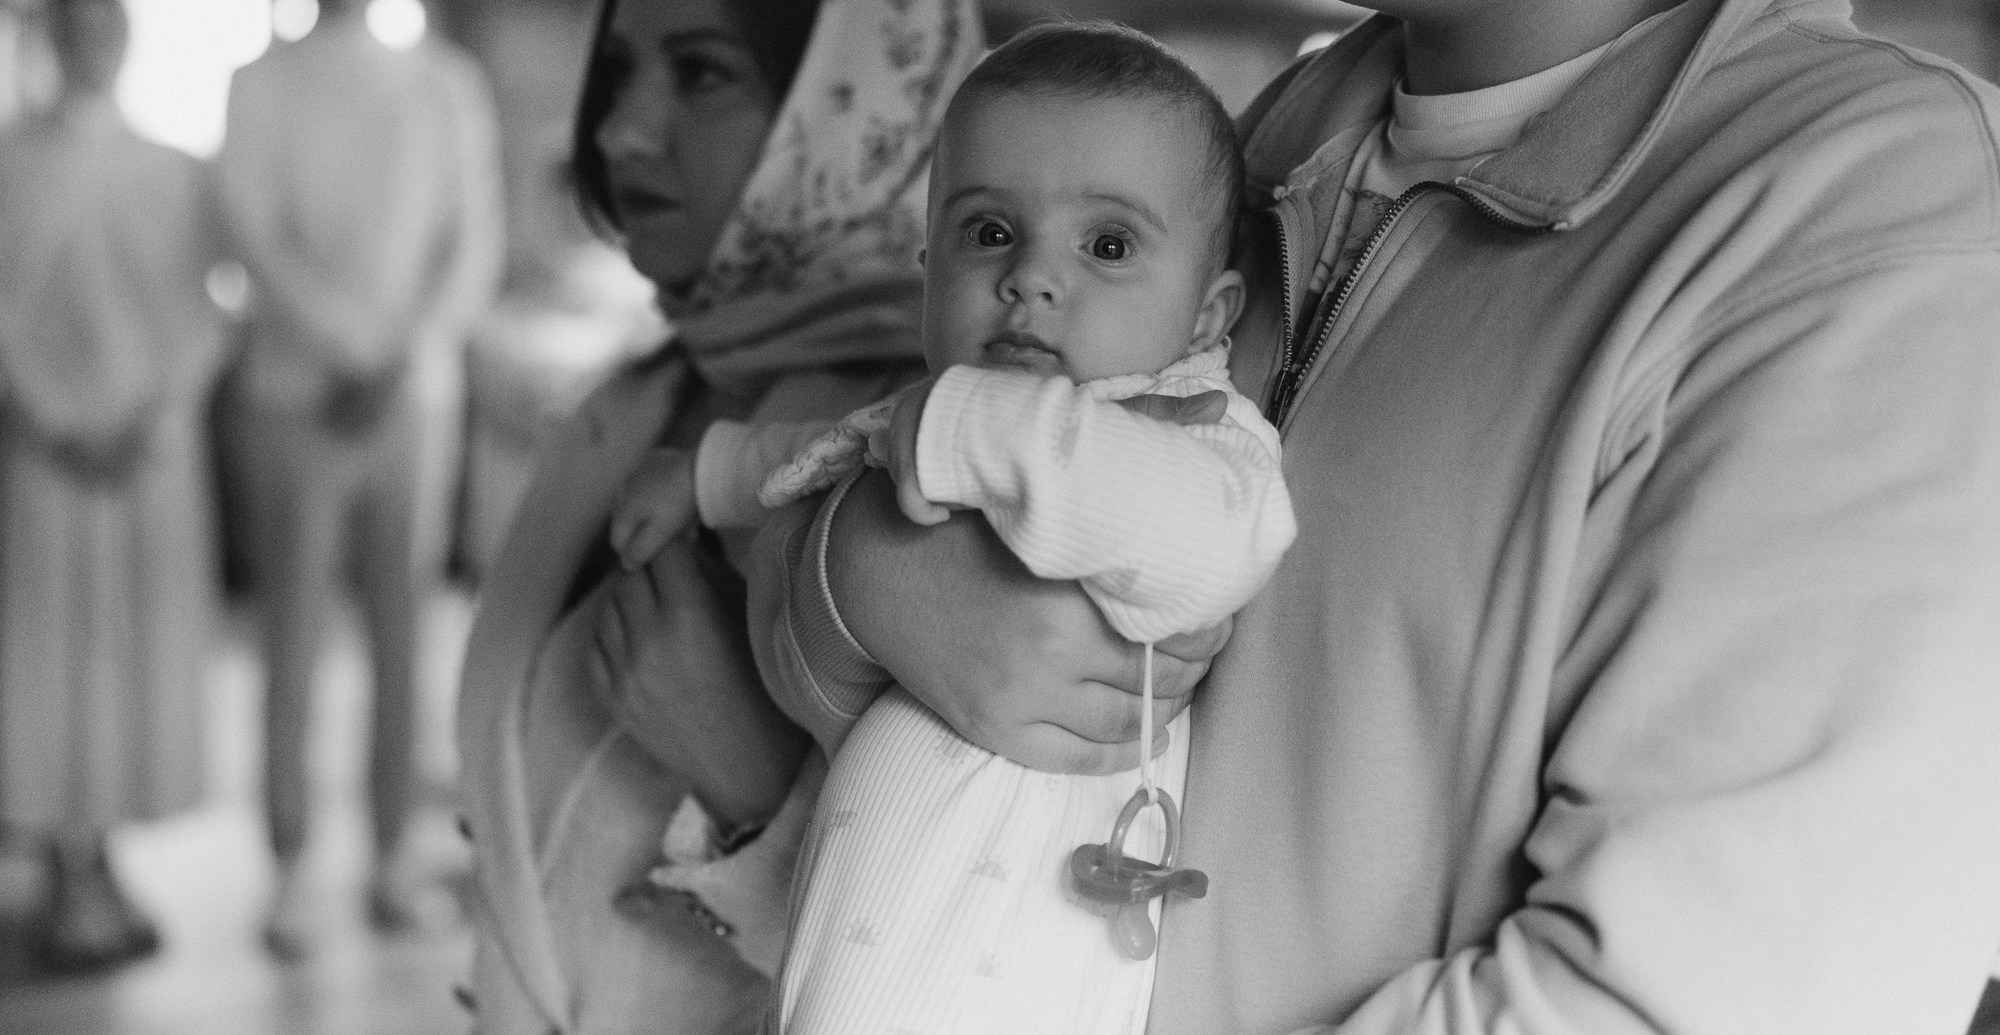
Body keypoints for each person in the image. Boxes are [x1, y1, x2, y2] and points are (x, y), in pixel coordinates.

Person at [744, 0, 2000, 1031]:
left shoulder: (1875, 208)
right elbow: (901, 542)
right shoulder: (1288, 125)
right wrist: (851, 585)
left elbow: (1700, 996)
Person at [749, 24, 1295, 1034]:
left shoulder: (1197, 440)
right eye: (989, 232)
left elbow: (1216, 547)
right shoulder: (940, 410)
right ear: (927, 268)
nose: (1032, 278)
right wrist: (701, 478)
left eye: (1108, 244)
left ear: (1211, 315)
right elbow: (818, 451)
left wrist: (967, 429)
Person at [453, 0, 981, 1031]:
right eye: (618, 73)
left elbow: (993, 964)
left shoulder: (938, 458)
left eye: (699, 74)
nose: (618, 131)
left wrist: (754, 787)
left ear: (851, 105)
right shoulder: (645, 397)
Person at [213, 0, 504, 957]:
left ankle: (390, 852)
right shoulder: (261, 81)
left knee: (402, 630)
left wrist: (394, 352)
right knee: (291, 630)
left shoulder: (443, 83)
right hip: (298, 394)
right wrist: (352, 347)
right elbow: (252, 230)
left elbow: (473, 242)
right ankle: (290, 863)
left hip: (411, 398)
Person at [0, 0, 230, 973]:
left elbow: (200, 308)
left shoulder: (174, 169)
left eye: (108, 22)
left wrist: (151, 413)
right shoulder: (9, 164)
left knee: (130, 649)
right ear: (49, 36)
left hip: (145, 449)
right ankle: (62, 855)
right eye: (76, 22)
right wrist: (54, 417)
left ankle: (104, 855)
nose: (93, 39)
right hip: (46, 450)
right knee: (50, 649)